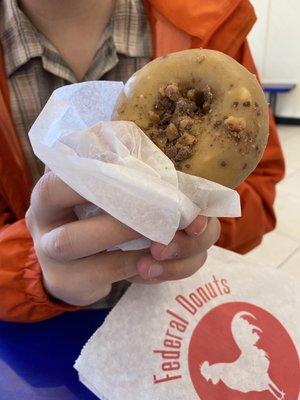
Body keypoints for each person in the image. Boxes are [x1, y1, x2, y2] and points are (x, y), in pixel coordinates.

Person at [0, 0, 285, 322]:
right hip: (38, 330)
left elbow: (259, 190)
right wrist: (33, 270)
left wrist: (197, 229)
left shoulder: (210, 25)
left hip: (182, 313)